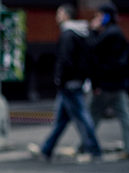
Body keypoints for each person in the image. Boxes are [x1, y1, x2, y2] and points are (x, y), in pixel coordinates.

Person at [29, 4, 102, 162]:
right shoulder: (82, 33)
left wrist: (58, 79)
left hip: (69, 83)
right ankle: (46, 149)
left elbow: (64, 60)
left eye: (59, 13)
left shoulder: (68, 35)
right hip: (76, 81)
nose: (57, 16)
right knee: (61, 120)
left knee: (82, 117)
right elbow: (90, 60)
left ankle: (94, 150)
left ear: (66, 16)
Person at [87, 3, 129, 160]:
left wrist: (92, 30)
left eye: (98, 16)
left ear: (106, 16)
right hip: (116, 82)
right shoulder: (115, 32)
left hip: (107, 83)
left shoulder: (111, 33)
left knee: (92, 114)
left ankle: (85, 146)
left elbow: (92, 47)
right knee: (123, 115)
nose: (96, 19)